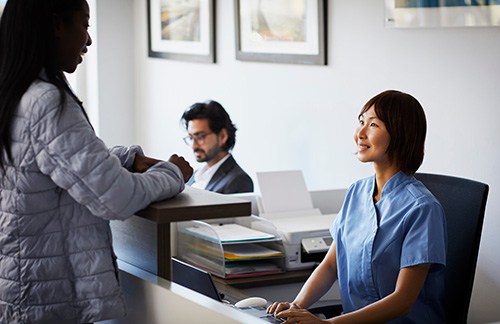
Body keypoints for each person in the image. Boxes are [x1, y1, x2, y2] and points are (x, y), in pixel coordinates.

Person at [0, 0, 193, 323]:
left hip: (19, 283)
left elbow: (41, 165)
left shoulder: (15, 90)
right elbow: (116, 197)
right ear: (58, 25)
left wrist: (125, 158)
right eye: (85, 25)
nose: (88, 40)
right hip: (44, 298)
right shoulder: (48, 101)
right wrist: (173, 172)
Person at [267, 90, 447, 323]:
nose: (360, 134)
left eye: (373, 125)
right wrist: (295, 307)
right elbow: (331, 265)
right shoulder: (357, 192)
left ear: (400, 133)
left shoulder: (422, 208)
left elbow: (403, 300)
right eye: (361, 122)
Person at [180, 100, 254, 194]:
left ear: (222, 136)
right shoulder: (194, 176)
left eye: (200, 137)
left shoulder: (239, 181)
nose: (194, 145)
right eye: (191, 137)